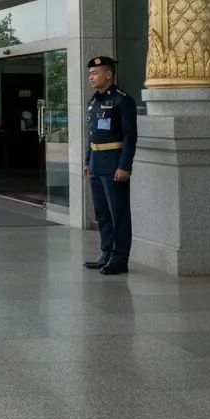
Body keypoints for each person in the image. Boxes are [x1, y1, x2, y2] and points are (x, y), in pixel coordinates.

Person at [82, 55, 137, 276]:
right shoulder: (93, 102)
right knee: (102, 212)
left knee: (119, 212)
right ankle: (106, 253)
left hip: (114, 163)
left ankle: (120, 257)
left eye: (94, 73)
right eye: (89, 74)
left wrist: (125, 166)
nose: (91, 78)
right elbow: (92, 135)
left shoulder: (123, 100)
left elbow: (130, 136)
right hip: (97, 163)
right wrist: (88, 162)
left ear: (108, 74)